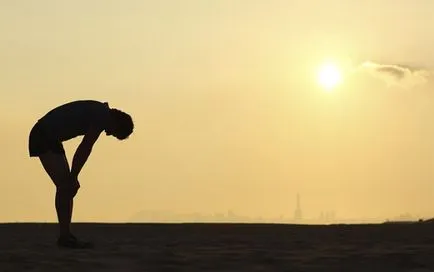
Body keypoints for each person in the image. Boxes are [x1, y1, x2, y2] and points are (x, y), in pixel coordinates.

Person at [28, 100, 134, 249]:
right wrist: (74, 175)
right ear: (116, 122)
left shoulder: (101, 112)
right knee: (65, 186)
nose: (109, 134)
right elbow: (85, 148)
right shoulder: (101, 116)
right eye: (114, 132)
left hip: (51, 138)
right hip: (42, 136)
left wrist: (73, 176)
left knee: (67, 187)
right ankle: (64, 237)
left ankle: (66, 235)